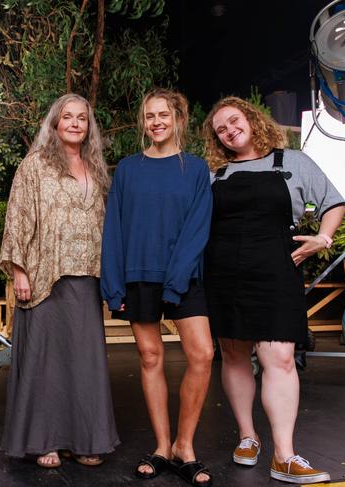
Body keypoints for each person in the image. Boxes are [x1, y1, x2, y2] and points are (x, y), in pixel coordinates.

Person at [202, 96, 345, 485]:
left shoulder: (293, 161)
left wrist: (324, 237)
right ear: (217, 139)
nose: (230, 131)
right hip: (224, 272)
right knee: (233, 355)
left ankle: (284, 455)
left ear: (250, 119)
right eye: (221, 129)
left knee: (280, 358)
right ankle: (247, 437)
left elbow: (334, 202)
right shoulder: (214, 173)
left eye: (234, 122)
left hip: (276, 270)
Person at [0, 93, 120, 469]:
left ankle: (84, 440)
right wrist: (19, 270)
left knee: (84, 364)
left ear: (89, 127)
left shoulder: (97, 169)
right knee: (45, 364)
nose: (75, 123)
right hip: (44, 275)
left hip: (86, 278)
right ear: (54, 123)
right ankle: (45, 441)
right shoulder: (35, 165)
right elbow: (17, 216)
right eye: (67, 117)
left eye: (82, 118)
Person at [101, 88, 214, 487]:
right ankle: (163, 446)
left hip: (182, 275)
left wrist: (177, 277)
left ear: (178, 118)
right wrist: (112, 284)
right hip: (138, 275)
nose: (156, 122)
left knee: (202, 354)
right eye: (149, 116)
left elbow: (198, 228)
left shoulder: (196, 169)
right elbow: (113, 227)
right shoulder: (128, 169)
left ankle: (186, 446)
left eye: (163, 114)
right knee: (151, 358)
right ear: (143, 123)